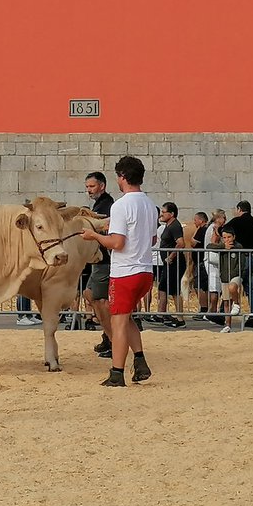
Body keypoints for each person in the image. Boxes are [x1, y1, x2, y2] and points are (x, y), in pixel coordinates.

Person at [79, 155, 154, 387]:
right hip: (145, 270)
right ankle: (140, 361)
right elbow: (151, 237)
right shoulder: (150, 204)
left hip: (125, 271)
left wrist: (94, 236)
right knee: (127, 318)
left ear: (122, 177)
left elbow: (117, 243)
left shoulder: (121, 205)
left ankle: (117, 372)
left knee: (118, 323)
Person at [83, 171, 115, 358]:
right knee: (90, 295)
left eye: (92, 186)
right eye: (87, 187)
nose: (89, 190)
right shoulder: (101, 204)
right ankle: (108, 336)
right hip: (98, 259)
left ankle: (112, 340)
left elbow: (105, 229)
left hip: (104, 259)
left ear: (102, 186)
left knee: (100, 301)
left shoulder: (107, 205)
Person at [223, 200, 253, 328]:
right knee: (252, 286)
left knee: (233, 282)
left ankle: (226, 312)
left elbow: (224, 230)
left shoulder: (235, 222)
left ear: (239, 209)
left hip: (240, 258)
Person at [155, 202, 185, 327]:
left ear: (171, 214)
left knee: (174, 290)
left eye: (164, 212)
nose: (161, 214)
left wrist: (171, 256)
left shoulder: (175, 226)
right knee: (163, 287)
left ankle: (180, 318)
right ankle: (160, 314)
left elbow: (181, 243)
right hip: (169, 263)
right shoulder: (169, 225)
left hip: (175, 263)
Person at [215, 227, 245, 333]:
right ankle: (228, 325)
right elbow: (210, 246)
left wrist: (236, 273)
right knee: (226, 302)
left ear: (234, 237)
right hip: (224, 277)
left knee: (232, 287)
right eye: (224, 238)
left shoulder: (238, 247)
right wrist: (223, 246)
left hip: (235, 275)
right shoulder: (222, 247)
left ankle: (237, 303)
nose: (227, 240)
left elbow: (241, 263)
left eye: (229, 237)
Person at [190, 211, 211, 318]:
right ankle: (207, 307)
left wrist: (196, 230)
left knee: (199, 286)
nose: (194, 222)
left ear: (201, 220)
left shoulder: (202, 229)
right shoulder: (208, 229)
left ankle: (204, 308)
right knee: (205, 286)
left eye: (195, 220)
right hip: (202, 261)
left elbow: (192, 242)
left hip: (201, 261)